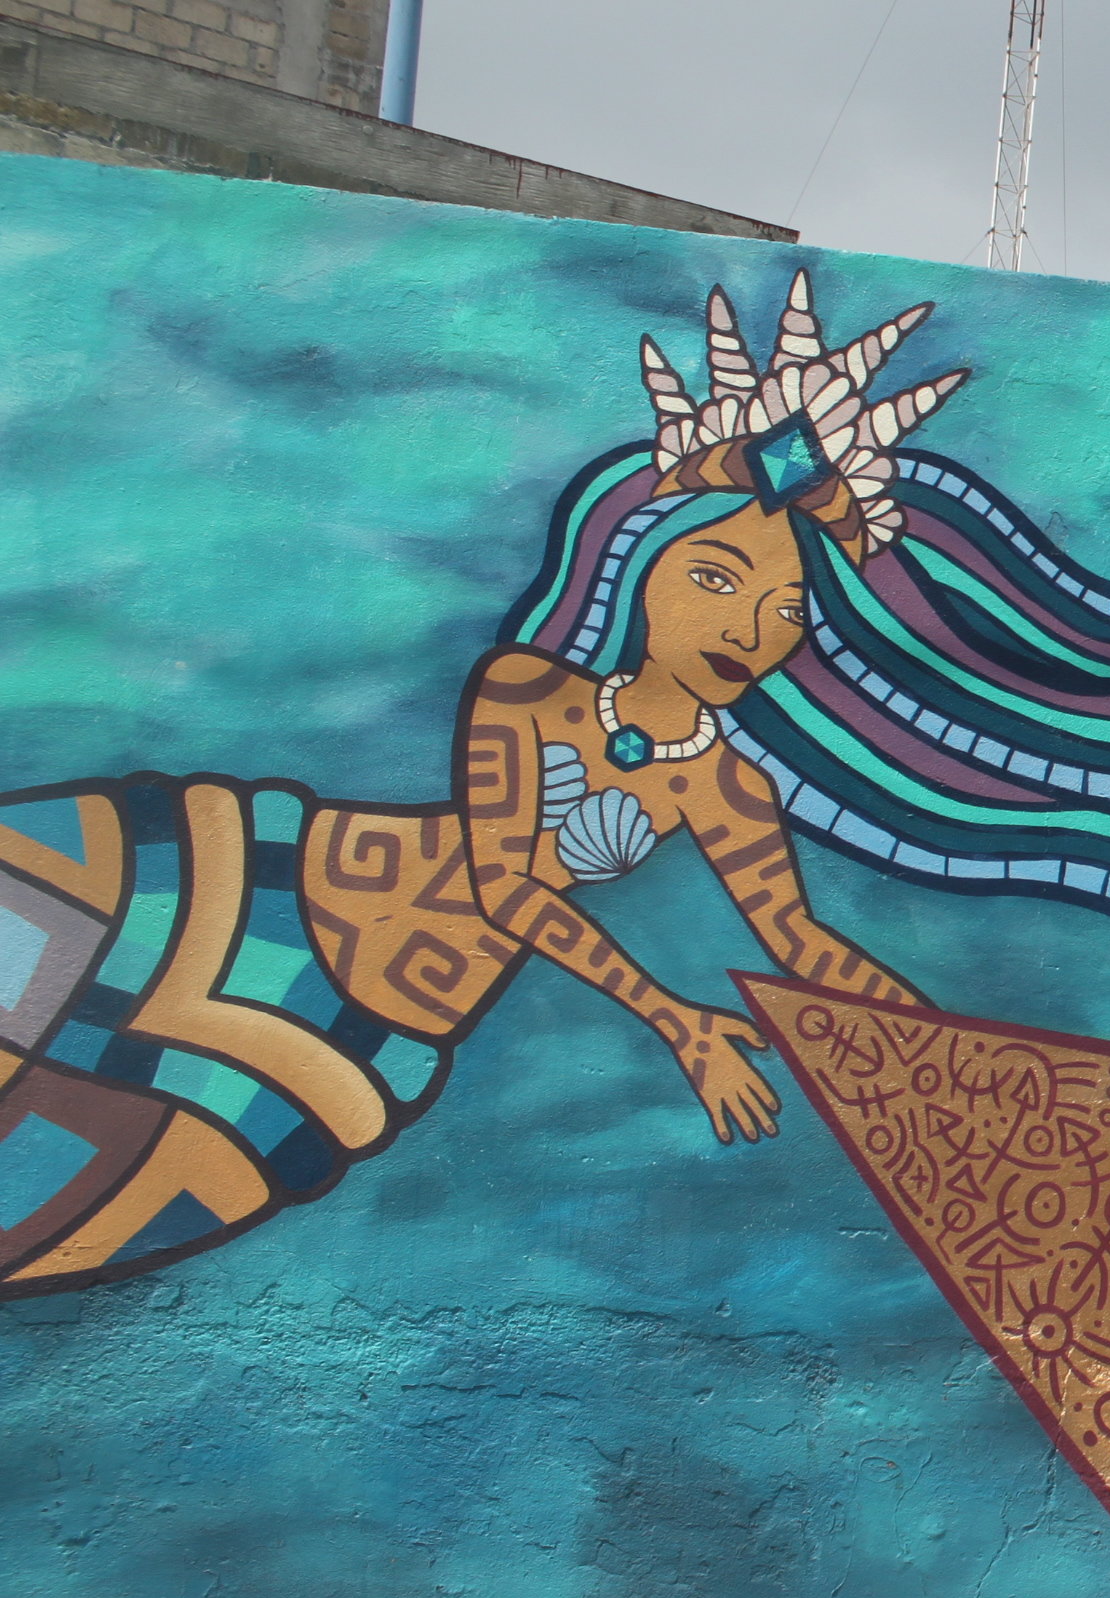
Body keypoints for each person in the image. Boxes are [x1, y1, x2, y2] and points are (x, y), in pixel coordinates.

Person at [0, 275, 936, 1297]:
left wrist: (941, 1052)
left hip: (346, 1049)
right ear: (642, 568)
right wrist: (676, 1020)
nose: (750, 629)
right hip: (229, 883)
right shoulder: (524, 689)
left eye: (786, 609)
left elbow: (800, 942)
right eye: (714, 578)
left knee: (36, 1225)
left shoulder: (724, 787)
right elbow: (505, 882)